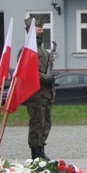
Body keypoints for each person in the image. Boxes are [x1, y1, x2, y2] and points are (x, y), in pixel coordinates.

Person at [19, 17, 55, 160]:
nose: (42, 31)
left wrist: (52, 74)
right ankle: (36, 153)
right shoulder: (26, 51)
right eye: (38, 29)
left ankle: (41, 148)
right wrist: (46, 78)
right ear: (30, 31)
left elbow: (46, 69)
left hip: (46, 94)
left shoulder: (43, 51)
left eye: (42, 29)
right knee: (36, 123)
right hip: (35, 95)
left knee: (46, 122)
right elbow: (27, 71)